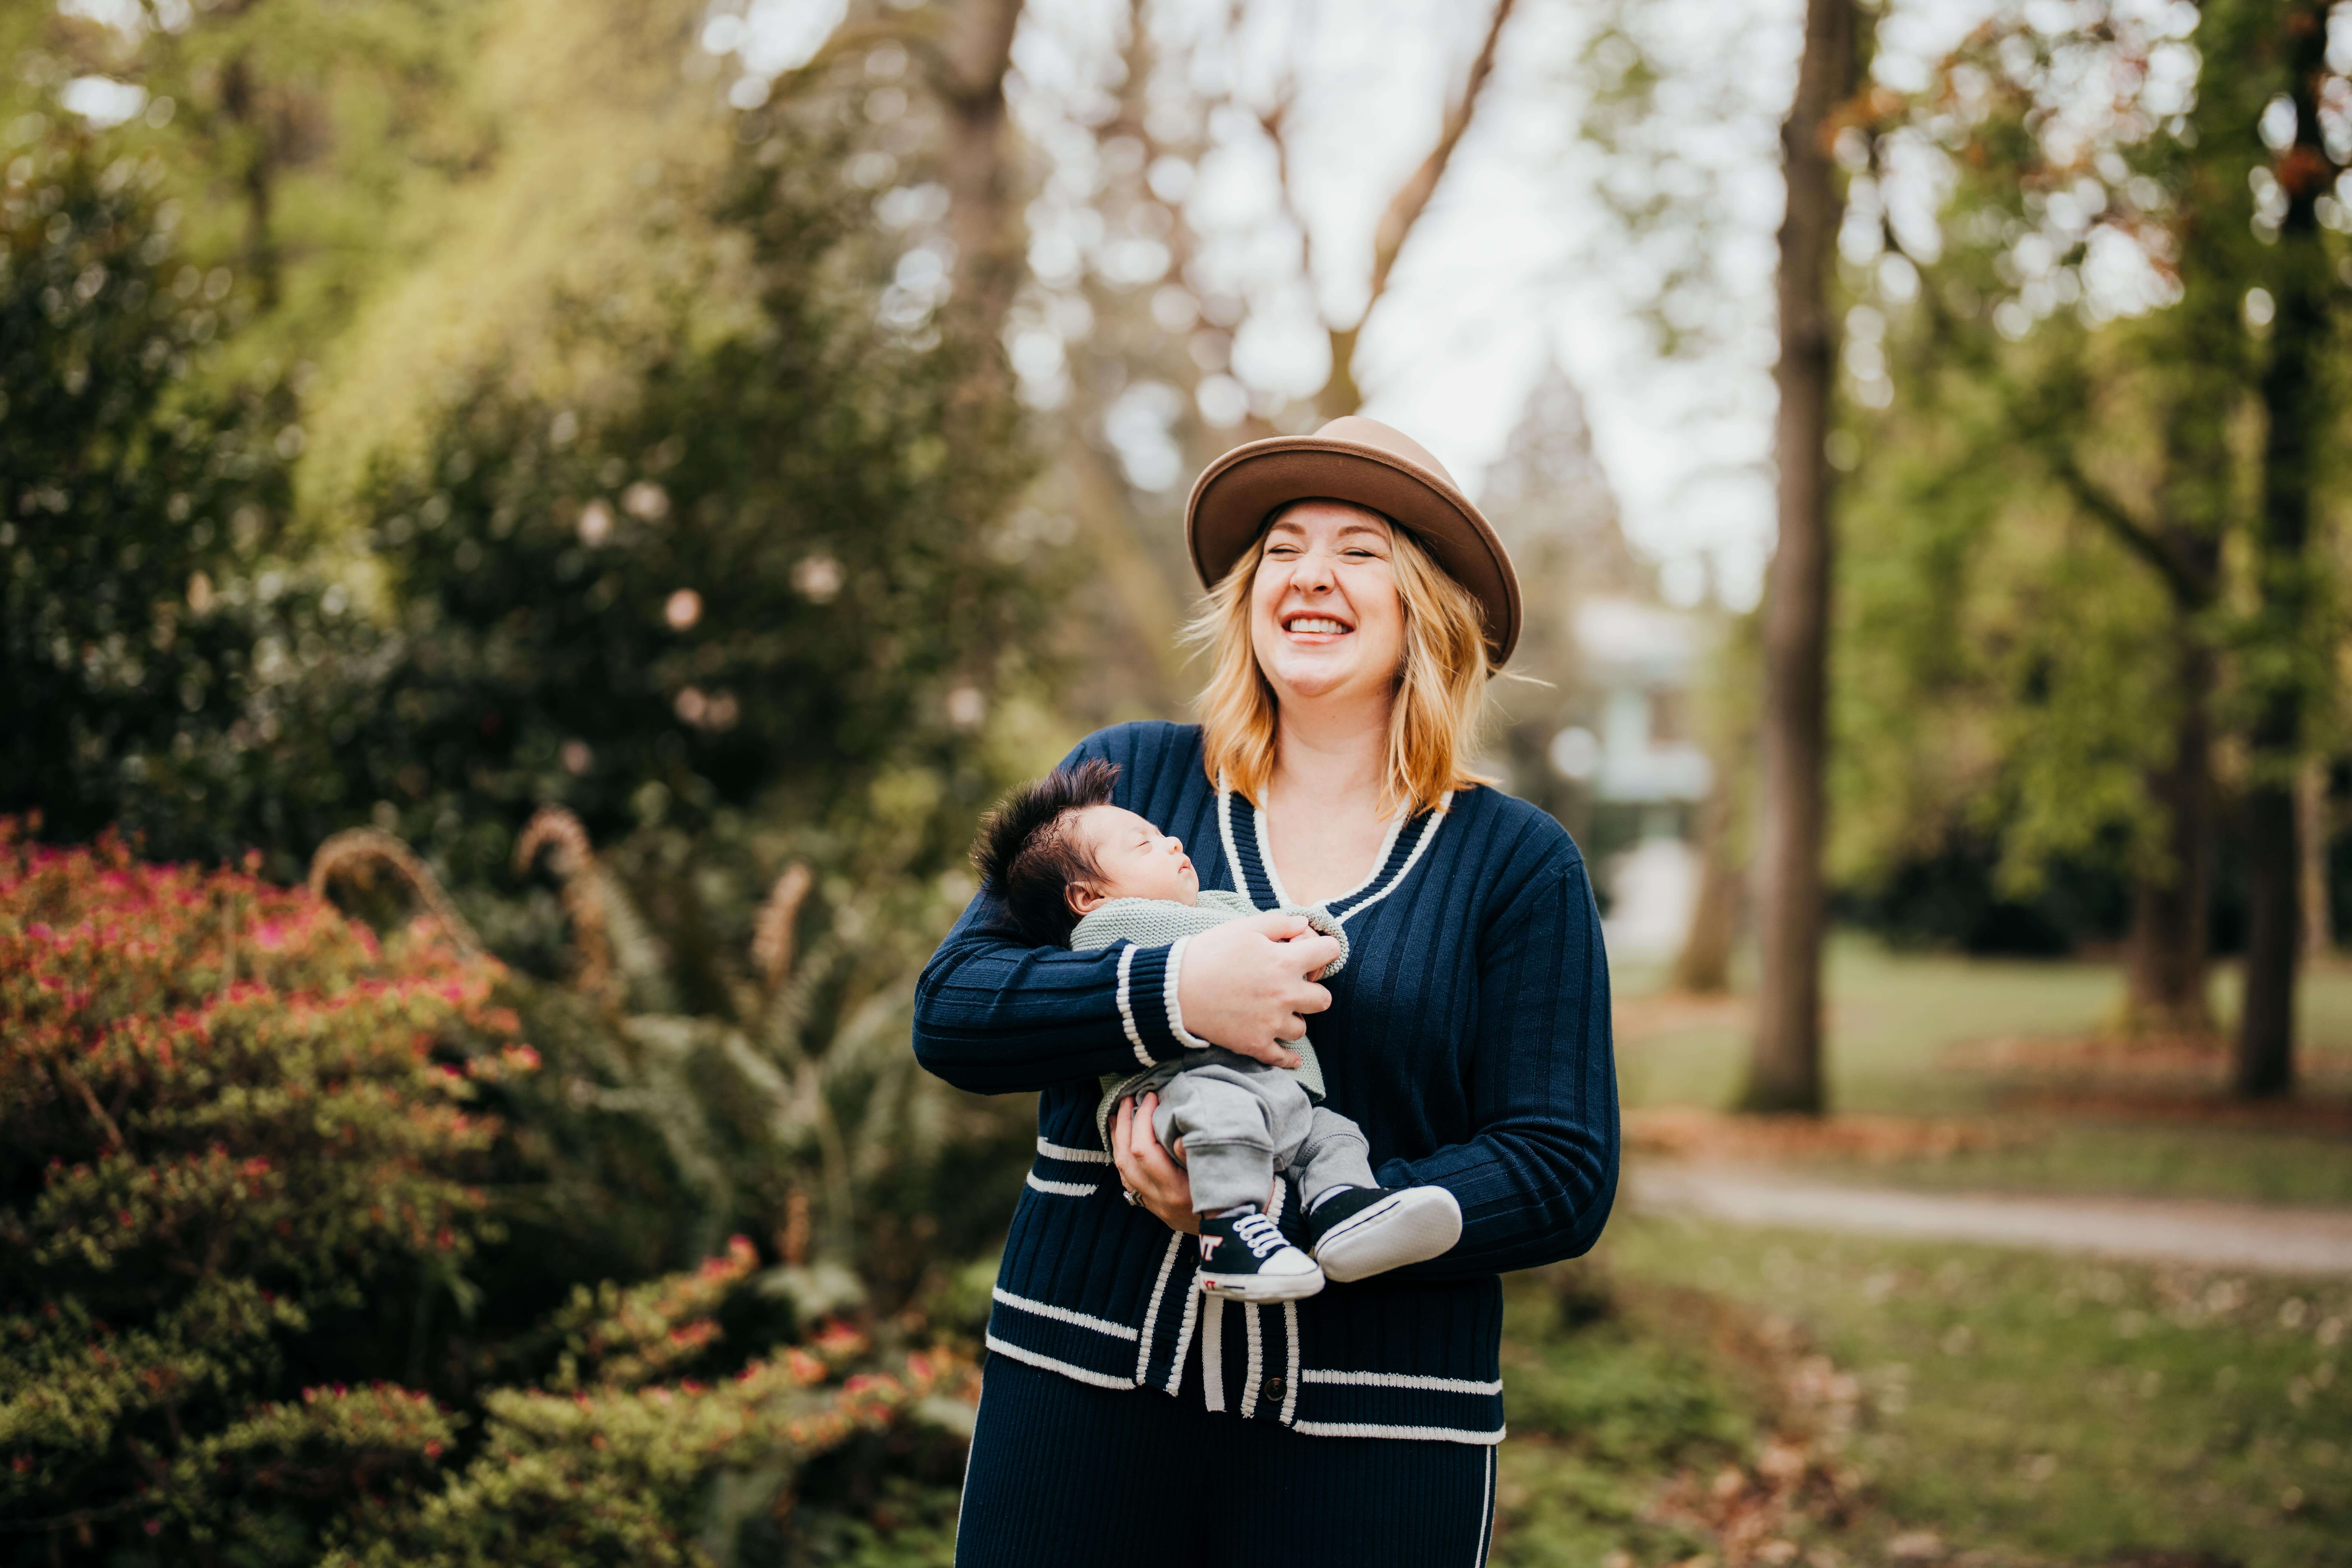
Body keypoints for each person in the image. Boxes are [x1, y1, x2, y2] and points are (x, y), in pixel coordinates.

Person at [914, 416, 1619, 1568]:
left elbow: (1562, 1170)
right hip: (1087, 1382)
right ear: (1249, 596)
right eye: (1284, 548)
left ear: (1426, 606)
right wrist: (1183, 987)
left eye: (1360, 550)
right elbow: (957, 1006)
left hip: (1379, 1424)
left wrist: (1286, 1205)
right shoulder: (1128, 780)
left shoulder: (1515, 861)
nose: (1311, 577)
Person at [967, 756, 1466, 1301]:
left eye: (1163, 835)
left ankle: (1344, 1210)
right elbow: (1240, 937)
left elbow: (1271, 937)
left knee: (1335, 1135)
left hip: (1276, 1098)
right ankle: (1229, 1234)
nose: (1174, 843)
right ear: (1088, 897)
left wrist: (1313, 939)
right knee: (1225, 1118)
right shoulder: (1105, 928)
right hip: (1183, 1097)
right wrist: (1279, 936)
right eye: (1144, 845)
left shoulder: (1218, 908)